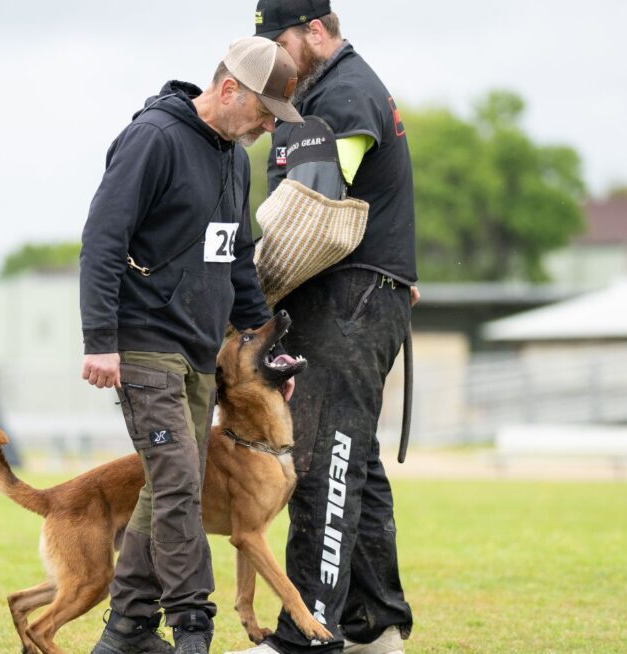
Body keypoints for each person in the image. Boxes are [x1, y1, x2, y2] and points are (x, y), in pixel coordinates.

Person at [79, 36, 303, 654]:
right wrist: (100, 339)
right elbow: (102, 238)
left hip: (201, 351)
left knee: (167, 484)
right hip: (143, 342)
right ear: (228, 88)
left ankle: (125, 630)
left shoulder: (235, 158)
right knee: (179, 480)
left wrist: (268, 355)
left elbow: (237, 264)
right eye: (262, 112)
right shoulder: (153, 138)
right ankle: (193, 629)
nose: (265, 127)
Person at [229, 2, 418, 653]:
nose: (274, 55)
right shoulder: (319, 91)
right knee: (352, 459)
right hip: (355, 298)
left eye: (279, 39)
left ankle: (305, 636)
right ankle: (376, 628)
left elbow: (312, 206)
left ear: (315, 30)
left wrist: (241, 292)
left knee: (322, 463)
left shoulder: (341, 93)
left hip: (348, 300)